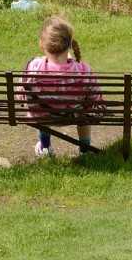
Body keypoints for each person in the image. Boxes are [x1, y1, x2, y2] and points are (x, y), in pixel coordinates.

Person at [20, 15, 102, 158]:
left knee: (40, 108)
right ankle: (84, 151)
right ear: (70, 44)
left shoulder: (34, 66)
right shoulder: (83, 70)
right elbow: (96, 98)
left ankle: (45, 147)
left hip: (43, 116)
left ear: (42, 44)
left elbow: (21, 95)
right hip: (74, 116)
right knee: (84, 114)